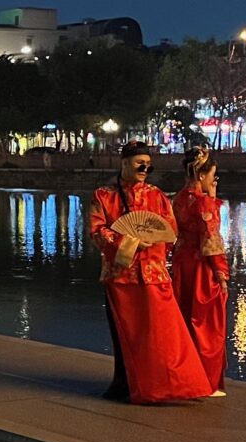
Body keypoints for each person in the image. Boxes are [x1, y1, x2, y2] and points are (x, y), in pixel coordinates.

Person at [88, 141, 213, 404]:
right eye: (138, 163)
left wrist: (151, 244)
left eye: (147, 163)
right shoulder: (104, 195)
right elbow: (97, 231)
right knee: (125, 335)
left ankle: (175, 385)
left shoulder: (156, 196)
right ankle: (126, 383)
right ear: (124, 163)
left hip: (154, 273)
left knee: (164, 334)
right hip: (120, 276)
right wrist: (129, 243)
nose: (145, 167)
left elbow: (169, 232)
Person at [172, 148, 230, 395]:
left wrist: (212, 197)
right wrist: (221, 272)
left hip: (182, 263)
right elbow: (211, 240)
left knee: (184, 320)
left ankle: (186, 376)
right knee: (206, 326)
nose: (212, 181)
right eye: (212, 175)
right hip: (201, 268)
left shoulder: (179, 198)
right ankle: (206, 381)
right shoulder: (204, 203)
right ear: (202, 174)